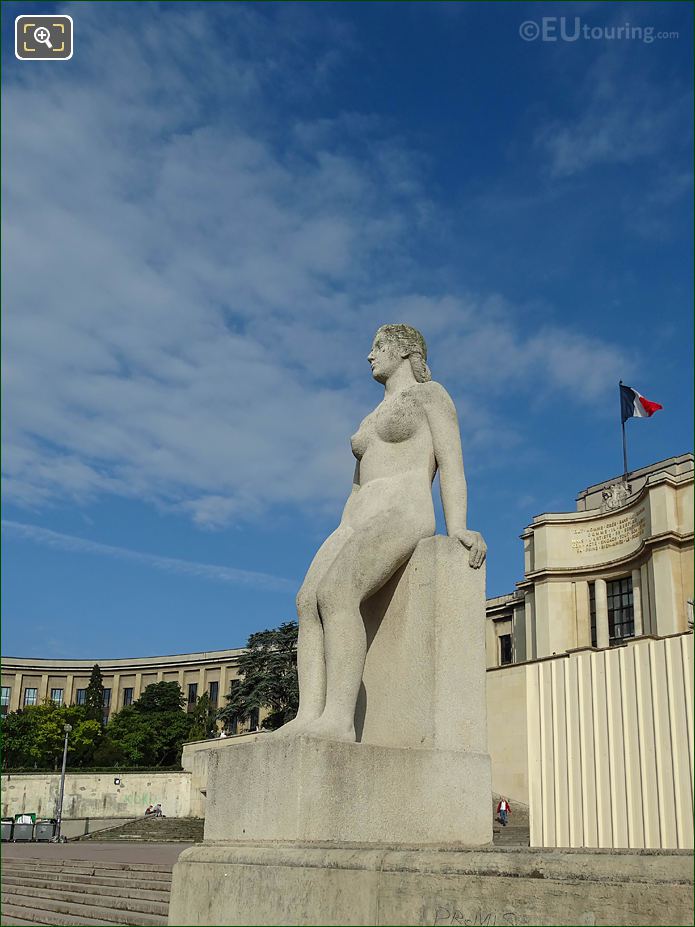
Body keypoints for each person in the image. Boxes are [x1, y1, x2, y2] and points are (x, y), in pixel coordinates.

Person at [276, 324, 486, 743]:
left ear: (404, 351)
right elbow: (356, 485)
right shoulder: (370, 416)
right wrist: (342, 532)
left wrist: (457, 526)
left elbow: (452, 463)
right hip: (357, 516)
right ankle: (308, 715)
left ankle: (338, 718)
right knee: (306, 601)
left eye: (378, 347)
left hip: (404, 507)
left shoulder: (431, 395)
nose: (370, 356)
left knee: (337, 593)